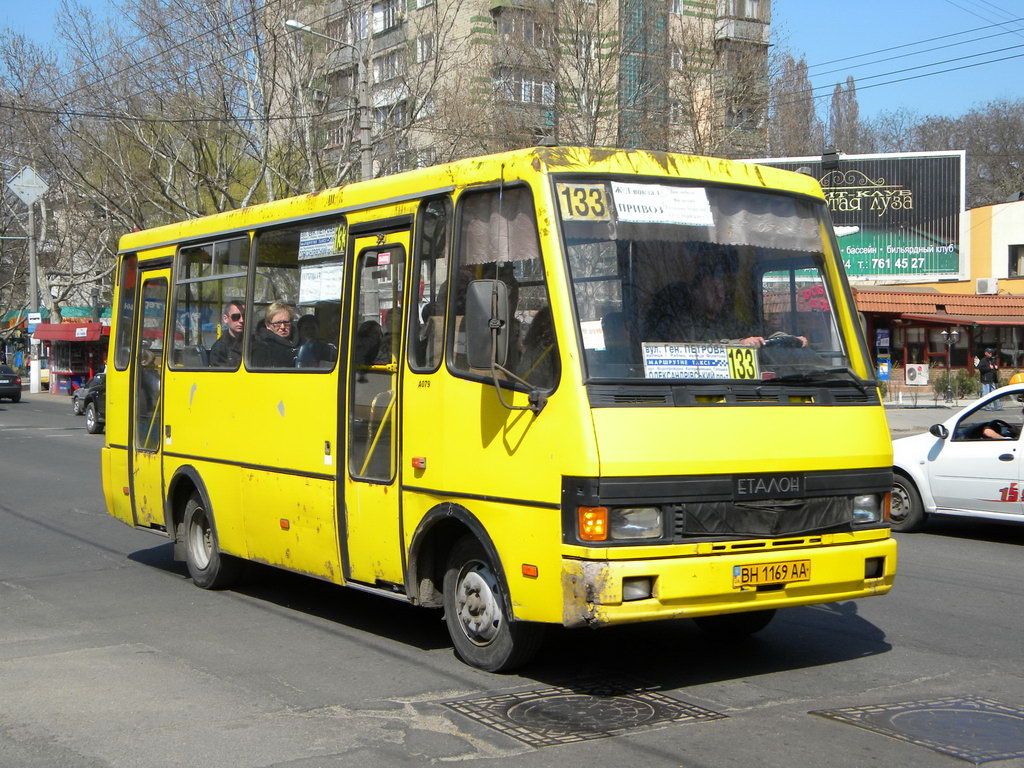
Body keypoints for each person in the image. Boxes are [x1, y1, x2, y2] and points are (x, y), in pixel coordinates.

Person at [251, 302, 297, 367]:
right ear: (268, 325)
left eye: (286, 322)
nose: (283, 327)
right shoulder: (261, 348)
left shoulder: (301, 343)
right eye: (278, 323)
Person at [209, 300, 245, 367]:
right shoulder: (219, 349)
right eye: (236, 317)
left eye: (244, 316)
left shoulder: (253, 342)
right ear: (225, 319)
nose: (241, 320)